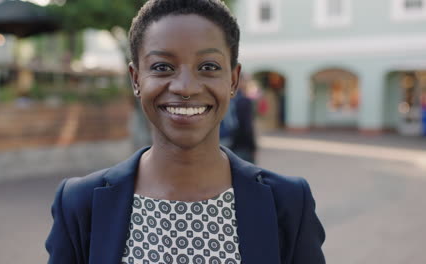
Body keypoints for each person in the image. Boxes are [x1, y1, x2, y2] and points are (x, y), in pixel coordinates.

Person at [45, 1, 326, 263]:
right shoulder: (81, 204)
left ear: (233, 79)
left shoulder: (287, 203)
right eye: (162, 67)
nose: (186, 87)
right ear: (136, 79)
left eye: (208, 67)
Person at [229, 73, 257, 163]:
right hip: (241, 145)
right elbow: (247, 126)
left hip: (225, 144)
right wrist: (253, 147)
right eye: (245, 81)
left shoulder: (227, 99)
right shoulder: (244, 101)